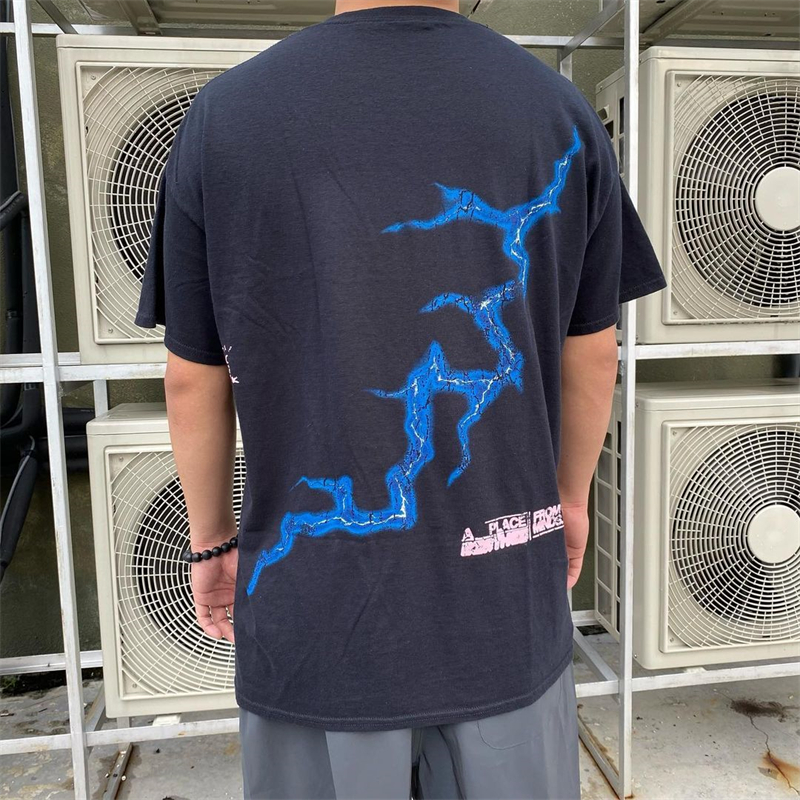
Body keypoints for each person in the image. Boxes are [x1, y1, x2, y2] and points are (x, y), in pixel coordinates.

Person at [135, 1, 666, 797]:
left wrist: (212, 544)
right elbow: (591, 351)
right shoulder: (555, 109)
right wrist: (569, 502)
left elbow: (192, 375)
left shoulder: (226, 118)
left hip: (316, 620)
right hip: (503, 602)